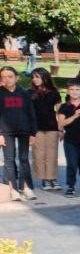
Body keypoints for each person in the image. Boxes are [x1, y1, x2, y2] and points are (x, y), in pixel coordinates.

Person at [0, 65, 38, 200]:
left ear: (17, 78)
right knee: (9, 160)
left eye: (10, 76)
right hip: (6, 132)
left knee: (24, 159)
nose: (7, 79)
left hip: (24, 130)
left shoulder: (24, 93)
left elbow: (31, 113)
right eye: (3, 77)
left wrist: (33, 133)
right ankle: (13, 189)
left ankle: (26, 187)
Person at [56, 78, 80, 196]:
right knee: (72, 163)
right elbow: (61, 123)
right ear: (67, 92)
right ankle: (70, 186)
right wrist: (75, 115)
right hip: (70, 140)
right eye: (71, 89)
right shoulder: (64, 106)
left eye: (77, 89)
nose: (74, 92)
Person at [28, 67, 61, 190]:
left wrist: (61, 128)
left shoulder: (54, 92)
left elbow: (59, 111)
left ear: (45, 77)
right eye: (33, 77)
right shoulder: (29, 93)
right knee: (39, 154)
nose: (34, 79)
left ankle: (53, 178)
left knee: (52, 154)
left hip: (52, 126)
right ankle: (45, 180)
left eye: (37, 77)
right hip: (36, 128)